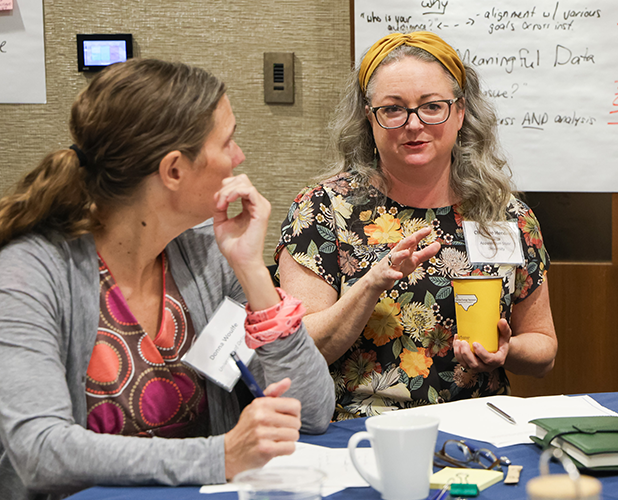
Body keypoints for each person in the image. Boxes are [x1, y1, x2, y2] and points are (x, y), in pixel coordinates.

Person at [0, 59, 336, 499]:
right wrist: (219, 457)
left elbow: (313, 412)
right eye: (228, 141)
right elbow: (40, 452)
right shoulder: (29, 272)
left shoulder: (204, 255)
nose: (240, 157)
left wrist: (252, 270)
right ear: (174, 169)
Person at [276, 31, 557, 419]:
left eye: (432, 106)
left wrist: (506, 352)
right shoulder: (323, 210)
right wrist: (371, 286)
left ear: (460, 112)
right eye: (393, 109)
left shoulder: (505, 215)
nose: (414, 124)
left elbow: (544, 350)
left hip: (480, 428)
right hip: (360, 433)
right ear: (368, 117)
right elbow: (299, 349)